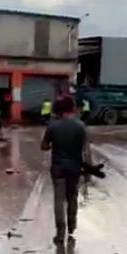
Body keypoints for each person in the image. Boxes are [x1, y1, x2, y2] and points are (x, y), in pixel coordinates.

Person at [40, 96, 86, 245]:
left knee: (59, 200)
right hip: (74, 168)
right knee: (72, 197)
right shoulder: (80, 126)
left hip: (58, 168)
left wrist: (54, 145)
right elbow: (85, 150)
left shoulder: (52, 126)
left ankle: (60, 233)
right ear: (72, 108)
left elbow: (44, 146)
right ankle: (72, 225)